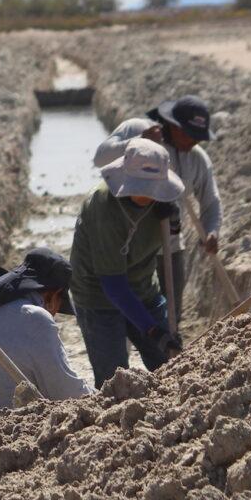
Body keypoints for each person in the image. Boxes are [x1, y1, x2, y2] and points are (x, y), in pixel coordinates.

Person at [69, 137, 185, 387]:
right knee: (115, 379)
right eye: (142, 187)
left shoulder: (161, 203)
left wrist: (173, 222)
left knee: (170, 365)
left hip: (143, 287)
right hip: (97, 296)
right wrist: (152, 330)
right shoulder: (103, 208)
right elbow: (114, 285)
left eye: (153, 188)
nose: (149, 194)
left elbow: (168, 248)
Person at [0, 248, 91, 408]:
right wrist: (99, 400)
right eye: (58, 306)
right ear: (53, 296)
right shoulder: (35, 318)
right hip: (15, 422)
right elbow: (67, 392)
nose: (54, 314)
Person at [147, 95, 222, 326]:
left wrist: (212, 231)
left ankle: (168, 355)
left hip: (173, 245)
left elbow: (210, 202)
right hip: (139, 248)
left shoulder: (198, 159)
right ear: (173, 126)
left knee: (172, 315)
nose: (194, 143)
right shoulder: (148, 148)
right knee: (140, 312)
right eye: (190, 135)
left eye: (199, 138)